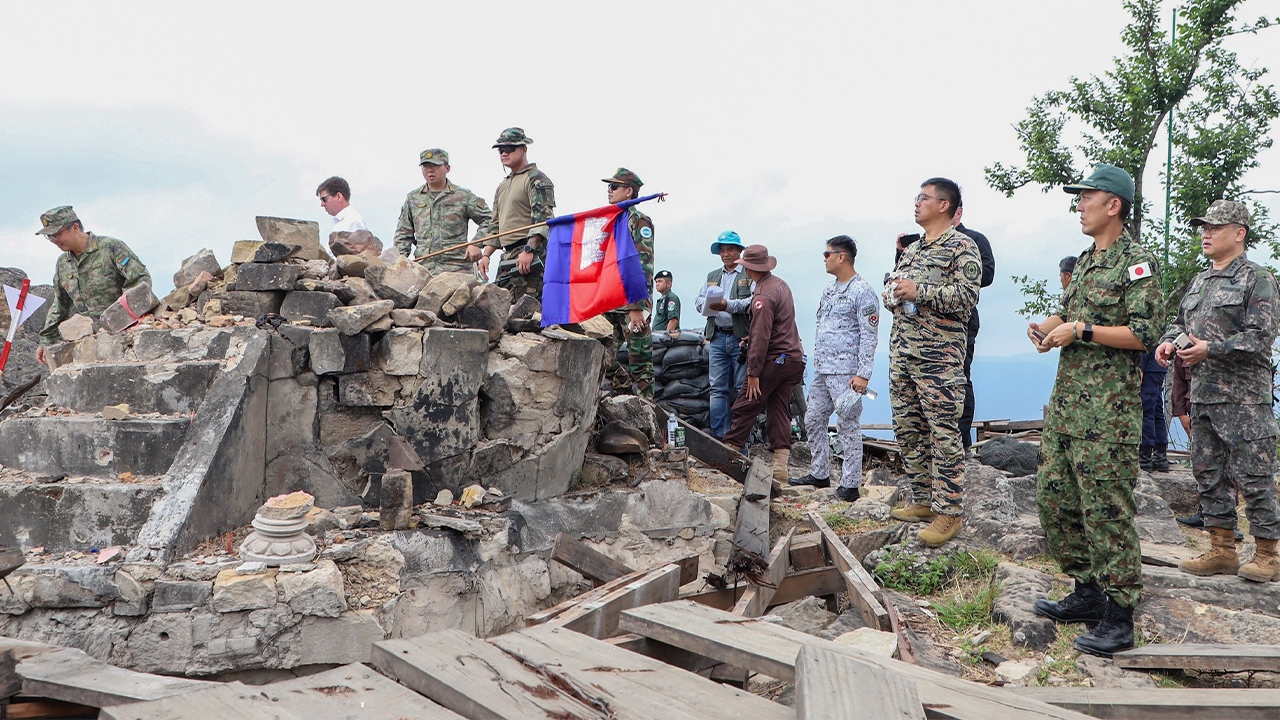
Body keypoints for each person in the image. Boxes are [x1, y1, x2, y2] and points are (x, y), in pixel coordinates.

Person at [1028, 164, 1163, 657]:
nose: (1079, 205)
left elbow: (1145, 333)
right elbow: (1069, 312)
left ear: (1114, 205)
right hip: (1067, 410)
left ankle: (1120, 616)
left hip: (1108, 417)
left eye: (1087, 197)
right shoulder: (1087, 260)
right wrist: (1048, 327)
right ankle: (1086, 592)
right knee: (1057, 502)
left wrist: (1081, 331)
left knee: (1107, 513)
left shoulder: (1137, 262)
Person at [1155, 200, 1280, 583]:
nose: (1206, 234)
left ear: (1239, 233)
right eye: (1204, 228)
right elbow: (1180, 323)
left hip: (1245, 401)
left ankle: (1268, 554)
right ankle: (1222, 549)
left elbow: (1261, 336)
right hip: (1204, 396)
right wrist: (1169, 342)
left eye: (1215, 228)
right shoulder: (1200, 281)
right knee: (1209, 474)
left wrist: (1212, 348)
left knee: (1255, 477)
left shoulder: (1257, 278)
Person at [886, 178, 981, 548]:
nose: (917, 203)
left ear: (944, 205)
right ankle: (924, 500)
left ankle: (949, 511)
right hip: (903, 352)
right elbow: (897, 288)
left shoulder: (962, 246)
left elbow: (967, 297)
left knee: (943, 434)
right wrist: (893, 294)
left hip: (938, 357)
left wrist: (919, 291)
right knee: (908, 429)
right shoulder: (912, 250)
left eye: (923, 197)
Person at [790, 235, 878, 501]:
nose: (824, 259)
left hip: (847, 372)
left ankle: (850, 484)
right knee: (813, 418)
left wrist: (863, 374)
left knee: (847, 425)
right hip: (823, 369)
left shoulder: (862, 291)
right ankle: (819, 474)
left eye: (827, 254)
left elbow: (869, 334)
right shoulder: (829, 290)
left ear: (842, 256)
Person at [720, 245, 805, 482]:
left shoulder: (762, 296)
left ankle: (727, 454)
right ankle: (780, 466)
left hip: (773, 360)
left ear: (749, 269)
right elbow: (781, 324)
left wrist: (753, 373)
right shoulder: (780, 285)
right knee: (779, 409)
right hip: (792, 358)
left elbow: (760, 336)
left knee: (747, 403)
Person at [34, 206, 152, 364]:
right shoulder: (63, 263)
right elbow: (60, 305)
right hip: (88, 342)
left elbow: (140, 281)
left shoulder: (110, 248)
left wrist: (123, 318)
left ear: (75, 227)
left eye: (57, 234)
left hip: (124, 336)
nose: (54, 240)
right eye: (49, 237)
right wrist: (46, 340)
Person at [479, 128, 555, 301]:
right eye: (501, 150)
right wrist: (486, 255)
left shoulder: (536, 179)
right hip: (507, 256)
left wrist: (529, 250)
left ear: (524, 149)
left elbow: (543, 220)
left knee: (527, 309)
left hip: (528, 253)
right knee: (500, 307)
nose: (504, 153)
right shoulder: (502, 186)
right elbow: (495, 225)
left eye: (510, 148)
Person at [598, 168, 656, 398]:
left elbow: (644, 263)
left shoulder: (638, 220)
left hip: (631, 303)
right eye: (608, 186)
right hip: (609, 300)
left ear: (629, 191)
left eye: (614, 186)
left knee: (640, 361)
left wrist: (637, 306)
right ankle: (622, 386)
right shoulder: (610, 220)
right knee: (600, 352)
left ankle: (645, 409)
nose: (609, 191)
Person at [393, 149, 493, 276]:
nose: (430, 170)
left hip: (457, 269)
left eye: (435, 166)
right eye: (425, 166)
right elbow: (403, 235)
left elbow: (489, 219)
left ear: (447, 168)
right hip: (424, 271)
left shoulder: (463, 196)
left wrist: (476, 243)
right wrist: (399, 266)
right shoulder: (413, 198)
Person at [696, 231, 753, 440]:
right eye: (722, 250)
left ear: (739, 251)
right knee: (717, 389)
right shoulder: (712, 276)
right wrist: (705, 305)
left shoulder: (749, 274)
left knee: (740, 388)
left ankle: (738, 437)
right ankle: (719, 436)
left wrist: (727, 305)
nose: (726, 254)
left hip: (740, 339)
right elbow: (699, 299)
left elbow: (753, 302)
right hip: (717, 336)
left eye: (730, 249)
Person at [952, 207, 996, 456]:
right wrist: (900, 252)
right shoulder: (924, 243)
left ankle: (962, 442)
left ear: (957, 212)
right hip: (925, 328)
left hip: (962, 320)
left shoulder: (974, 239)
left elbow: (987, 274)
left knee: (960, 379)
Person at [1139, 349, 1169, 471]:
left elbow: (1145, 343)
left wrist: (1140, 366)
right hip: (1156, 365)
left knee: (1146, 411)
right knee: (1156, 410)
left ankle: (1145, 458)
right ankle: (1160, 457)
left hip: (1149, 367)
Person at [652, 270, 681, 336]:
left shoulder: (671, 298)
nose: (657, 284)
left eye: (660, 281)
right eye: (656, 282)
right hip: (658, 336)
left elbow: (673, 320)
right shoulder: (662, 299)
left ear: (668, 284)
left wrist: (666, 337)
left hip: (664, 339)